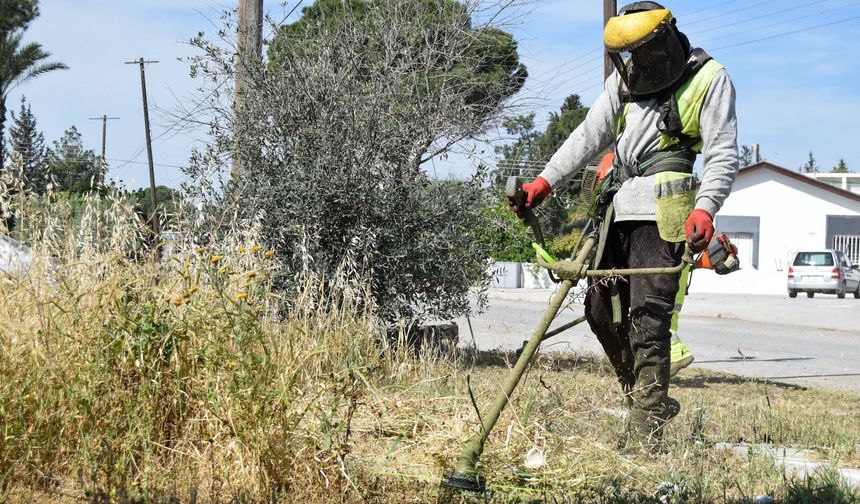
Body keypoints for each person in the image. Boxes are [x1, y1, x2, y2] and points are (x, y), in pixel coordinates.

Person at [518, 2, 738, 449]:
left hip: (667, 213)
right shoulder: (627, 79)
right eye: (630, 55)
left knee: (647, 320)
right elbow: (589, 133)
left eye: (644, 53)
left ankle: (646, 430)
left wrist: (706, 207)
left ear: (664, 40)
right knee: (599, 313)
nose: (638, 64)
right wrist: (544, 181)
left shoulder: (709, 78)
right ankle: (644, 398)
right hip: (617, 208)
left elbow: (723, 153)